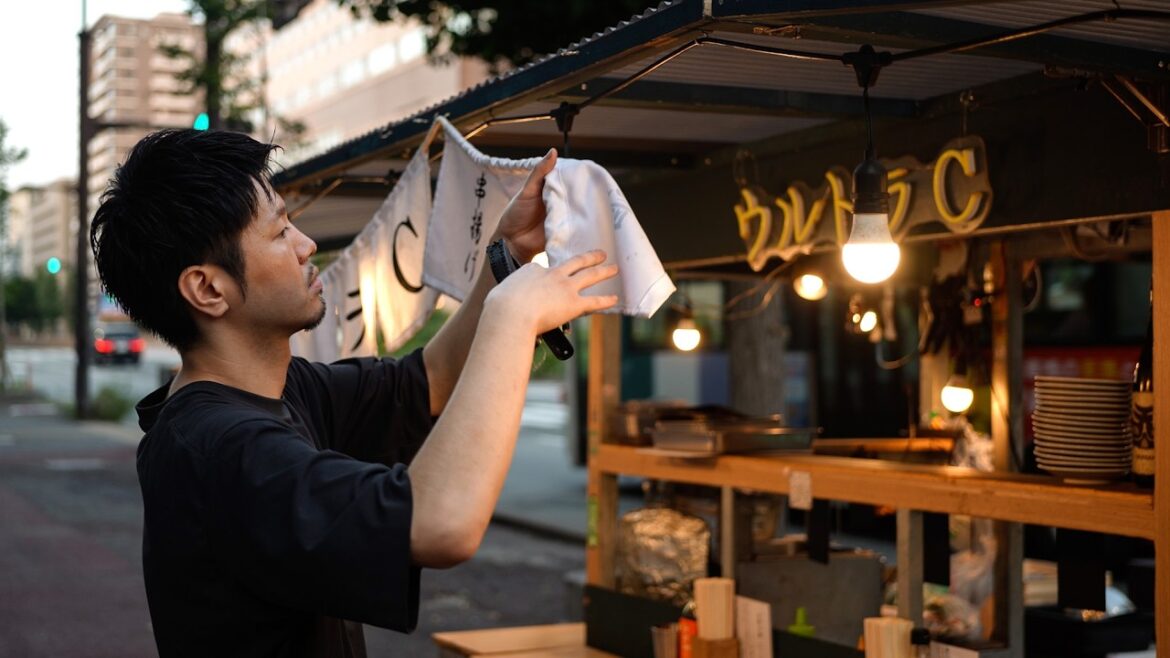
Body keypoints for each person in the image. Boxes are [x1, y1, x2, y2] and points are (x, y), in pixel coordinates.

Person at [89, 129, 618, 658]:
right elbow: (440, 525)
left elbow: (427, 381)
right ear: (208, 289)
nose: (306, 245)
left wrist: (508, 255)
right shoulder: (218, 450)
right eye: (279, 232)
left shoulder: (282, 388)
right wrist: (512, 317)